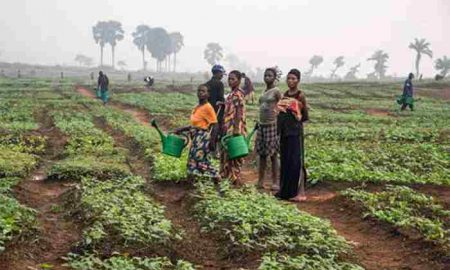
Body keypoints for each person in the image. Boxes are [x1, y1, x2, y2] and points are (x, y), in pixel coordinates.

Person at [173, 84, 220, 180]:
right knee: (194, 159)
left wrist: (212, 141)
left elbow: (215, 125)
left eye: (203, 91)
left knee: (199, 159)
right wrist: (181, 129)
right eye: (199, 91)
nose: (200, 93)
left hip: (202, 138)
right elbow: (195, 124)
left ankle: (215, 176)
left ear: (208, 94)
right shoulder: (198, 107)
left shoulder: (208, 107)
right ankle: (197, 180)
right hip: (195, 137)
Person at [275, 69, 309, 202]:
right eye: (289, 78)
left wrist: (296, 113)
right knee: (286, 161)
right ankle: (285, 191)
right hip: (285, 132)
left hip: (295, 132)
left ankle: (299, 192)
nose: (290, 81)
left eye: (293, 79)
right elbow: (280, 114)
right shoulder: (285, 95)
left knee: (296, 162)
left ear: (298, 80)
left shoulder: (300, 95)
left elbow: (304, 116)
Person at [256, 68, 282, 190]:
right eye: (265, 75)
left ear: (274, 77)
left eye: (270, 75)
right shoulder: (263, 91)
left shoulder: (276, 91)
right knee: (262, 154)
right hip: (262, 125)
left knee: (273, 155)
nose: (267, 77)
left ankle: (275, 182)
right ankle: (260, 181)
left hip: (272, 125)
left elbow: (282, 107)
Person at [220, 70, 247, 184]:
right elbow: (230, 108)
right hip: (228, 126)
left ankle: (234, 176)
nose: (230, 81)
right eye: (229, 79)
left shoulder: (237, 94)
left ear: (239, 81)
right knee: (227, 150)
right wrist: (223, 104)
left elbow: (239, 112)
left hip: (235, 126)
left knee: (234, 152)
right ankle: (227, 175)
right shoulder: (231, 94)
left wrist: (236, 128)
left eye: (233, 79)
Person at [206, 65, 226, 151]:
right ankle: (213, 148)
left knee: (208, 128)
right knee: (217, 129)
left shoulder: (207, 84)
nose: (222, 76)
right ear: (217, 73)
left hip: (207, 110)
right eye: (221, 74)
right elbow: (221, 98)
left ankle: (206, 145)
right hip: (217, 110)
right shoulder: (219, 84)